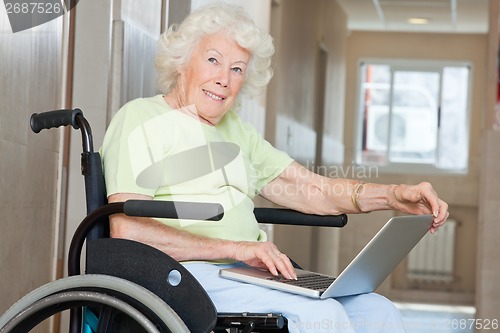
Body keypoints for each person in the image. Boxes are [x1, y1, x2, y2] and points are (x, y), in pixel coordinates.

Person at [101, 3, 449, 333]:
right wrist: (235, 249)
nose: (224, 78)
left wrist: (394, 196)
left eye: (237, 69)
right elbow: (129, 231)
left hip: (244, 274)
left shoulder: (236, 131)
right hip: (180, 275)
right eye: (213, 60)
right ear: (182, 62)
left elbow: (312, 189)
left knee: (378, 310)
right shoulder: (140, 119)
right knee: (321, 314)